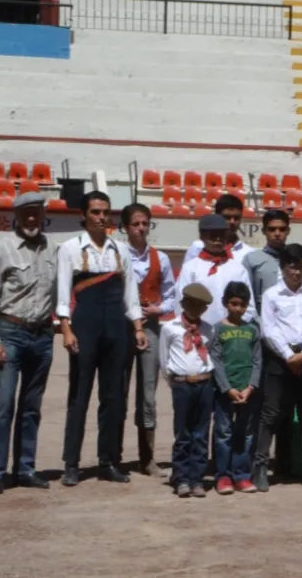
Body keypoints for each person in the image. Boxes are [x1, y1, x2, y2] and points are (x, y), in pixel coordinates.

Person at [56, 191, 149, 487]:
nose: (101, 217)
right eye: (95, 212)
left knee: (113, 396)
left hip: (116, 328)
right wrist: (66, 328)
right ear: (83, 215)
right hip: (85, 325)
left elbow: (130, 293)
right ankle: (71, 463)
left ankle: (107, 461)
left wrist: (137, 327)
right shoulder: (69, 248)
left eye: (105, 212)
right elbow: (62, 294)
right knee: (79, 395)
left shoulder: (120, 250)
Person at [0, 192, 57, 495]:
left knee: (32, 406)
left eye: (36, 212)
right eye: (26, 213)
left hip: (42, 335)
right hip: (10, 332)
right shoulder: (3, 249)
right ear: (17, 216)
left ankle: (25, 468)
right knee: (4, 404)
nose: (32, 218)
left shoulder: (53, 248)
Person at [255, 244, 302, 492]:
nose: (296, 272)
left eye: (300, 267)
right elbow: (269, 330)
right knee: (270, 415)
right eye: (291, 267)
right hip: (279, 359)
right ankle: (261, 466)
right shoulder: (272, 295)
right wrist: (289, 356)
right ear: (283, 267)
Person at [122, 203, 176, 477]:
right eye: (136, 224)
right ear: (126, 228)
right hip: (121, 327)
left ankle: (147, 457)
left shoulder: (161, 259)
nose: (141, 228)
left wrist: (159, 309)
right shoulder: (117, 254)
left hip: (151, 327)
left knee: (148, 393)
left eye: (145, 223)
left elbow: (171, 293)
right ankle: (112, 455)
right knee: (117, 390)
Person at [159, 284, 218, 498]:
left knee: (201, 433)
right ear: (183, 304)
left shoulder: (208, 330)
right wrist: (175, 381)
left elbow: (209, 353)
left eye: (201, 307)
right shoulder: (170, 328)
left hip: (204, 383)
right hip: (182, 384)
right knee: (183, 433)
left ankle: (197, 478)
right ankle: (182, 477)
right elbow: (164, 360)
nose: (196, 310)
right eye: (192, 305)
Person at [208, 281, 262, 495]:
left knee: (245, 433)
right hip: (226, 392)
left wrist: (251, 387)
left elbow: (258, 361)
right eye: (233, 303)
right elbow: (216, 361)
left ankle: (242, 475)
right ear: (225, 303)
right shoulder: (218, 329)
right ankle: (223, 476)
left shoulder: (252, 330)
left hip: (247, 391)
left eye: (242, 304)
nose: (238, 308)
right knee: (223, 433)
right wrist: (227, 388)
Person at [174, 215, 255, 327]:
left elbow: (249, 304)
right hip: (199, 331)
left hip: (231, 332)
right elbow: (181, 301)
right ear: (202, 237)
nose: (218, 239)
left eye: (221, 235)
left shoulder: (237, 268)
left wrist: (236, 328)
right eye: (213, 235)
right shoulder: (191, 268)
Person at [243, 210, 291, 313]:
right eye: (272, 229)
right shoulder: (251, 259)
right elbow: (246, 294)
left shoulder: (295, 259)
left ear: (288, 231)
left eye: (282, 229)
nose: (277, 233)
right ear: (264, 231)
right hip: (262, 320)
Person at [183, 194, 254, 264]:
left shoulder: (249, 253)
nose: (232, 222)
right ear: (217, 216)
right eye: (227, 217)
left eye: (236, 218)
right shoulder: (198, 247)